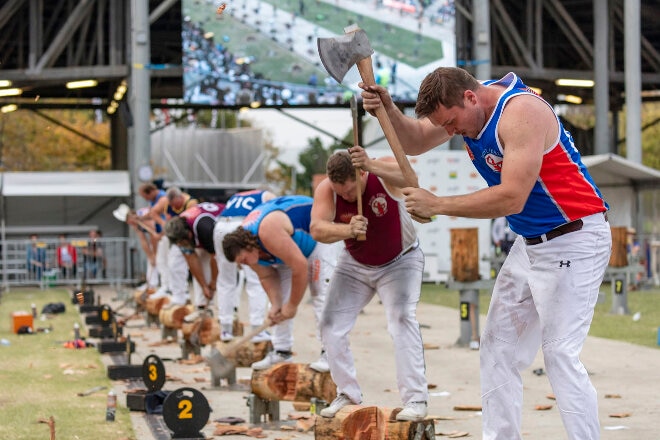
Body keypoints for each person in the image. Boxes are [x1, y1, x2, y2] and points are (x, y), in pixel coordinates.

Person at [361, 67, 611, 439]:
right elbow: (412, 142)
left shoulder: (521, 113)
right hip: (530, 242)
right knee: (496, 348)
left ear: (470, 97)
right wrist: (389, 110)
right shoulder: (463, 111)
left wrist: (439, 203)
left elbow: (513, 196)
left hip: (575, 236)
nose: (450, 133)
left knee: (558, 353)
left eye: (451, 123)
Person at [310, 148, 429, 421]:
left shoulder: (380, 171)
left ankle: (416, 399)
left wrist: (371, 164)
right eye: (342, 194)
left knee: (401, 320)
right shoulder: (327, 190)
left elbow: (410, 178)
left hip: (401, 260)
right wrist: (347, 230)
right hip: (355, 264)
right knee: (329, 324)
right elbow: (317, 228)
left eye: (351, 192)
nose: (347, 197)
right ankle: (347, 393)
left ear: (361, 173)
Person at [222, 195, 336, 371]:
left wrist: (292, 306)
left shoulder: (268, 231)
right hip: (288, 248)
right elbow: (267, 277)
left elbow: (300, 268)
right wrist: (277, 305)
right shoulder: (251, 254)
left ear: (249, 246)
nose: (243, 264)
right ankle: (282, 352)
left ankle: (330, 353)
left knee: (320, 295)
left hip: (316, 240)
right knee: (277, 307)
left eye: (243, 259)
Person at [214, 189, 277, 342]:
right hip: (243, 224)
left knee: (225, 280)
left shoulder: (236, 196)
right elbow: (276, 212)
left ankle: (226, 329)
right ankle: (256, 329)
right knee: (255, 279)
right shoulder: (265, 194)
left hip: (221, 225)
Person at [138, 184, 198, 306]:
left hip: (188, 238)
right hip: (175, 237)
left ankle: (184, 292)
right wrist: (165, 225)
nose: (171, 207)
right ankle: (176, 293)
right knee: (172, 264)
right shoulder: (165, 202)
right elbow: (154, 213)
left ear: (179, 198)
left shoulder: (190, 203)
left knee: (183, 266)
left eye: (173, 204)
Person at [164, 202, 226, 308]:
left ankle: (225, 308)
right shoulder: (178, 231)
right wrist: (204, 286)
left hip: (222, 230)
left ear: (188, 234)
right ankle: (202, 305)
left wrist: (213, 282)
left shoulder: (204, 228)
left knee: (224, 271)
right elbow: (191, 260)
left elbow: (215, 258)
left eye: (183, 243)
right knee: (201, 266)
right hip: (203, 235)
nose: (182, 246)